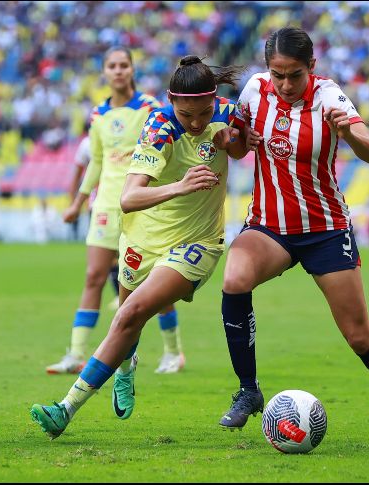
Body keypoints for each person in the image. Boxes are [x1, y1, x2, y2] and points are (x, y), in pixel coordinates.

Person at [217, 27, 369, 440]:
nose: (284, 84)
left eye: (294, 75)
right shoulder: (253, 90)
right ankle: (248, 391)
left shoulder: (329, 96)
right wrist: (239, 139)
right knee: (234, 279)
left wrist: (351, 132)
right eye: (277, 74)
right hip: (270, 227)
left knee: (359, 335)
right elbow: (235, 149)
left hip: (325, 230)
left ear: (312, 68)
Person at [30, 55, 250, 439]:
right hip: (142, 238)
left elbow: (240, 149)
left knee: (130, 314)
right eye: (187, 114)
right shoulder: (160, 126)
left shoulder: (229, 113)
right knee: (126, 323)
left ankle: (64, 409)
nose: (197, 122)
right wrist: (180, 185)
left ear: (215, 99)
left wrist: (233, 142)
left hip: (197, 244)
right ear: (170, 101)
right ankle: (126, 370)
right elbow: (129, 198)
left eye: (204, 112)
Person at [46, 47, 183, 376]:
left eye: (124, 65)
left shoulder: (151, 107)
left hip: (142, 202)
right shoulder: (98, 114)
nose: (119, 71)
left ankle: (173, 352)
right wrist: (78, 203)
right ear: (105, 73)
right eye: (112, 66)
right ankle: (76, 354)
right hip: (106, 204)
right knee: (94, 277)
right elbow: (96, 160)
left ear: (132, 70)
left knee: (154, 283)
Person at [68, 120, 120, 310]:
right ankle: (119, 294)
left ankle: (126, 294)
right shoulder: (86, 144)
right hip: (98, 204)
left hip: (120, 200)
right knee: (110, 254)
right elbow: (79, 172)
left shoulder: (120, 140)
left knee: (125, 252)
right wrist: (75, 200)